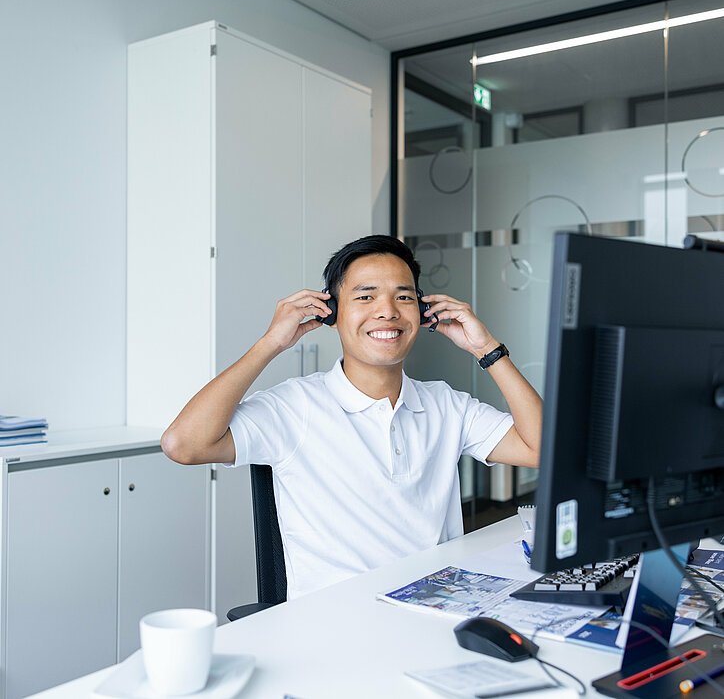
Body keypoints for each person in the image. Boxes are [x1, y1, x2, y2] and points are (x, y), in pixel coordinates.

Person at [162, 235, 542, 599]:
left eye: (404, 296)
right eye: (366, 296)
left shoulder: (445, 405)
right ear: (331, 313)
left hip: (433, 605)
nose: (387, 311)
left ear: (424, 311)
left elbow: (542, 450)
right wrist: (271, 343)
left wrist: (487, 348)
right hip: (335, 625)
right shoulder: (295, 407)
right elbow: (183, 444)